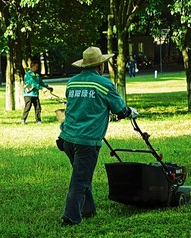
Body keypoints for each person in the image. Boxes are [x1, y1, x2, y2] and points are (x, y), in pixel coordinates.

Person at [56, 46, 138, 226]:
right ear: (100, 66)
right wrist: (130, 112)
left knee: (82, 174)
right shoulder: (104, 84)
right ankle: (70, 217)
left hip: (68, 138)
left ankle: (88, 209)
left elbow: (71, 109)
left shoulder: (72, 83)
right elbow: (120, 110)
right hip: (87, 141)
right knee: (80, 179)